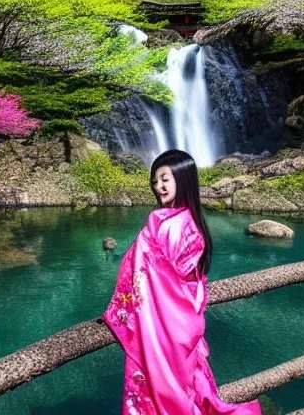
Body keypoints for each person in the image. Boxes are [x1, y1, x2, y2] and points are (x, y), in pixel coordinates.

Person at [103, 149, 262, 415]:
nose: (158, 186)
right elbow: (191, 282)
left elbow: (148, 272)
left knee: (155, 392)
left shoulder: (161, 220)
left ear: (183, 178)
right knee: (189, 391)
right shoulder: (195, 224)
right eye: (155, 181)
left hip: (161, 324)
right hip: (183, 321)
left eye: (165, 179)